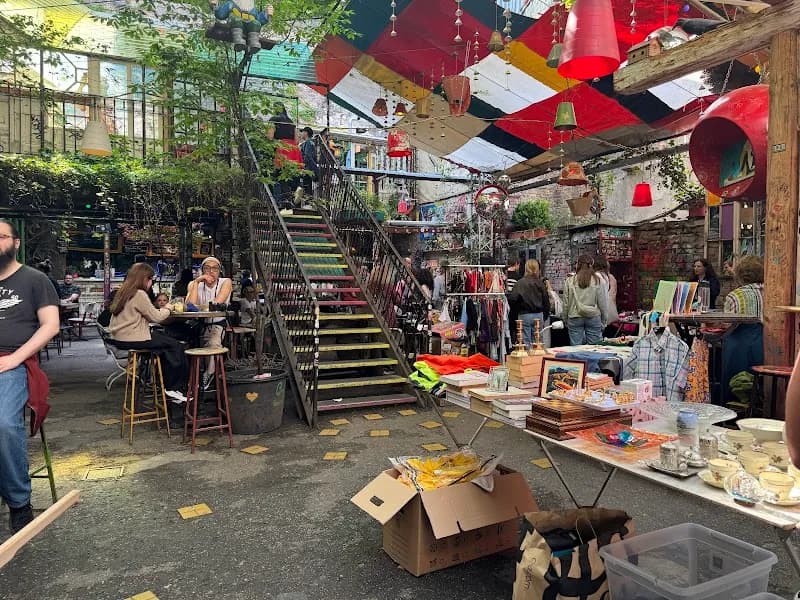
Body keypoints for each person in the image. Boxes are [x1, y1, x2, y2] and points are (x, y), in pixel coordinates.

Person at [0, 219, 60, 533]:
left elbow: (51, 326)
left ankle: (19, 501)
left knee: (4, 424)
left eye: (1, 236)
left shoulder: (35, 280)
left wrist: (14, 359)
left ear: (16, 243)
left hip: (14, 362)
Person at [109, 263, 188, 407]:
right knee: (176, 346)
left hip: (120, 338)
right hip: (134, 338)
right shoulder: (139, 294)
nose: (151, 283)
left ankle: (164, 384)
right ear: (145, 278)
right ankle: (173, 387)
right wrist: (168, 308)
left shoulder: (124, 291)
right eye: (151, 279)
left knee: (163, 346)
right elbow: (157, 317)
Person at [186, 256, 232, 390]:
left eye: (214, 269)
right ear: (201, 270)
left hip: (217, 323)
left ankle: (209, 374)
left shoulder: (225, 282)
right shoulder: (194, 284)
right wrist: (197, 281)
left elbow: (217, 303)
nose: (211, 271)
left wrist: (200, 306)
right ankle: (192, 379)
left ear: (219, 271)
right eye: (207, 268)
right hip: (198, 324)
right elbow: (190, 305)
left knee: (213, 343)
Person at [562, 254, 609, 345]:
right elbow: (603, 303)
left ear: (577, 265)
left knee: (576, 348)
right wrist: (604, 320)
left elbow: (566, 303)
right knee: (595, 347)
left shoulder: (570, 281)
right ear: (592, 265)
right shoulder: (598, 281)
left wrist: (565, 318)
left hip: (574, 316)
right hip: (593, 316)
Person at [508, 259, 550, 348]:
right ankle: (537, 360)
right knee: (538, 342)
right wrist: (545, 315)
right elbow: (546, 300)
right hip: (539, 314)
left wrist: (518, 310)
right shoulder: (540, 283)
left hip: (524, 314)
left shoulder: (520, 283)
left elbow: (512, 299)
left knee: (526, 342)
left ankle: (528, 360)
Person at [298, 126, 318, 202]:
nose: (301, 134)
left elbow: (307, 157)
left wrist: (303, 165)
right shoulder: (310, 143)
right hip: (309, 169)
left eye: (302, 132)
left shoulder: (308, 143)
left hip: (307, 169)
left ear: (306, 133)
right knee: (307, 187)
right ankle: (308, 203)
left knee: (306, 187)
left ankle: (308, 203)